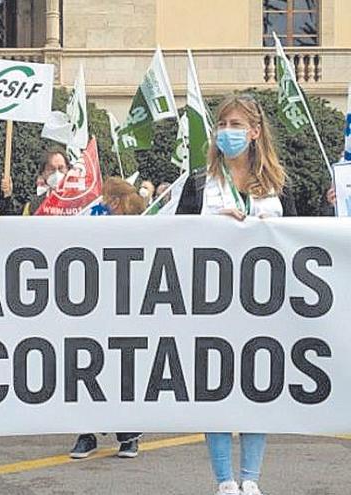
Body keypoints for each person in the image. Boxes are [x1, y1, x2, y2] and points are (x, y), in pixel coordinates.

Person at [177, 94, 295, 495]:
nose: (228, 132)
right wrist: (211, 227)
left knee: (258, 389)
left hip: (266, 308)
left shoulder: (280, 186)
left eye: (236, 125)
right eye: (223, 124)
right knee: (216, 390)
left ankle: (251, 478)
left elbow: (303, 244)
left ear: (255, 132)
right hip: (211, 307)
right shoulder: (197, 185)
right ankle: (225, 480)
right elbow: (171, 243)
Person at [69, 177, 144, 459]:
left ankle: (129, 435)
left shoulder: (143, 223)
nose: (101, 200)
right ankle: (86, 433)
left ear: (115, 199)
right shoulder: (91, 217)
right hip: (93, 304)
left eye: (105, 196)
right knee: (88, 367)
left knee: (124, 369)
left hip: (127, 305)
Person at [0, 148, 69, 216]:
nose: (57, 173)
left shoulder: (78, 203)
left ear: (68, 170)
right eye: (51, 169)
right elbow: (13, 224)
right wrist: (7, 197)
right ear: (43, 173)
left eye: (61, 168)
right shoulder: (33, 206)